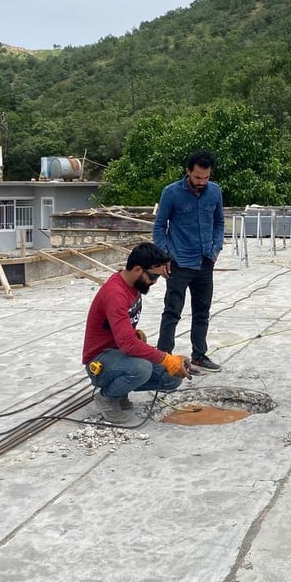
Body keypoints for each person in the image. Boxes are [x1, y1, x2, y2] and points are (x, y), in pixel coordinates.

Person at [82, 241, 192, 425]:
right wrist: (165, 358)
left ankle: (120, 391)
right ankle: (107, 397)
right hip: (99, 361)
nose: (155, 282)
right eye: (153, 276)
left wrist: (132, 331)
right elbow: (127, 344)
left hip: (118, 354)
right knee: (142, 368)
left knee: (171, 378)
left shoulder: (134, 286)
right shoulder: (116, 293)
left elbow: (123, 334)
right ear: (138, 269)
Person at [152, 150, 225, 372]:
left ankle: (199, 355)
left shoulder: (215, 192)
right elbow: (159, 228)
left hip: (205, 261)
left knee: (202, 311)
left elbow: (219, 223)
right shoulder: (171, 193)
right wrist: (165, 256)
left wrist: (216, 248)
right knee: (172, 311)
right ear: (188, 172)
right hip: (179, 263)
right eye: (197, 177)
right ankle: (164, 357)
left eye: (206, 177)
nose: (202, 182)